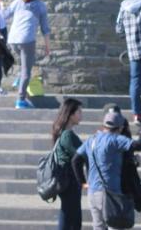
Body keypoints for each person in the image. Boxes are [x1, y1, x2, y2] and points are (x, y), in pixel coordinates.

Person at [72, 109, 141, 230]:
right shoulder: (116, 139)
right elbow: (140, 145)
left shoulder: (91, 140)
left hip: (93, 193)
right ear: (120, 128)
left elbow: (75, 160)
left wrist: (82, 182)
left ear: (104, 125)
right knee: (115, 226)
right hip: (111, 194)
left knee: (98, 226)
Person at [4, 0, 50, 109]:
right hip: (27, 40)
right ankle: (21, 100)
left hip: (13, 40)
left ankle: (19, 79)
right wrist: (47, 46)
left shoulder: (19, 1)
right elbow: (45, 29)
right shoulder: (41, 6)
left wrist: (0, 3)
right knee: (26, 70)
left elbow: (5, 15)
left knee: (26, 63)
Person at [51, 97, 83, 230]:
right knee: (70, 216)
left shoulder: (64, 132)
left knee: (71, 215)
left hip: (68, 180)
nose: (81, 115)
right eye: (79, 112)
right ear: (70, 114)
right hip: (69, 180)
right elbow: (78, 155)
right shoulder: (67, 135)